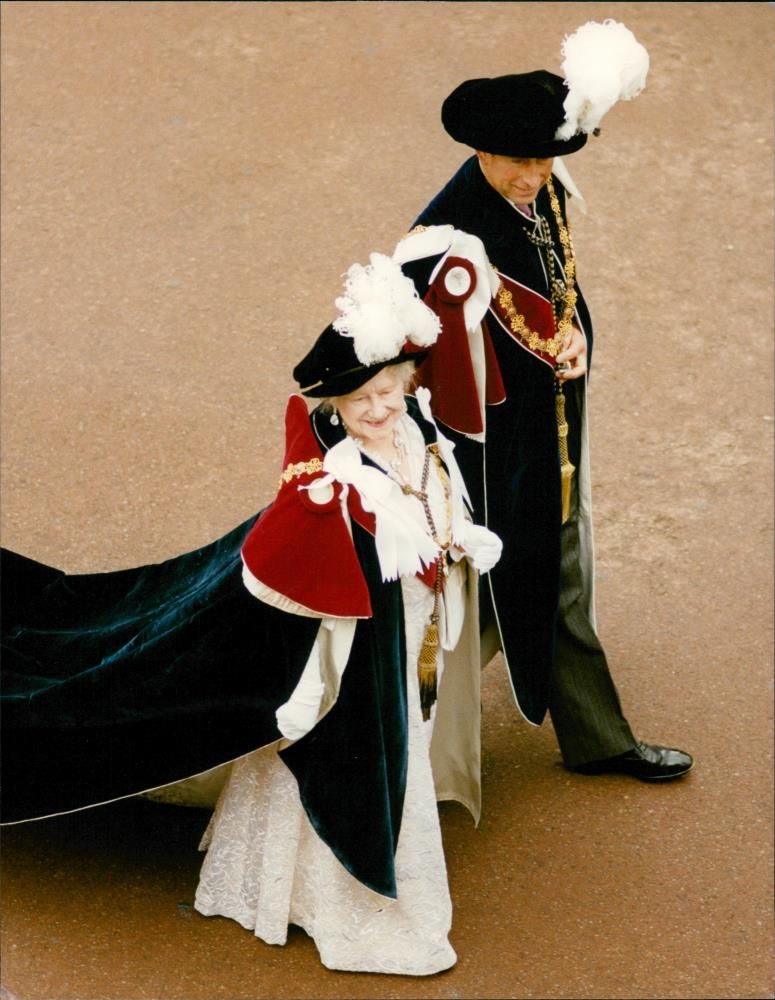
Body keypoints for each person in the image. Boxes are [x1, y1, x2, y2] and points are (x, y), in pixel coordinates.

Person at [1, 246, 502, 975]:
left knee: (384, 750)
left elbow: (437, 510)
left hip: (408, 635)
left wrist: (462, 543)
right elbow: (296, 565)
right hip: (348, 660)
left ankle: (273, 886)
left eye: (389, 391)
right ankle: (342, 909)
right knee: (343, 758)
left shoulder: (418, 432)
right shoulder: (333, 483)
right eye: (360, 400)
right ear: (335, 404)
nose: (378, 410)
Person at [403, 20, 693, 781]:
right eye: (518, 161)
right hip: (487, 459)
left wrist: (577, 338)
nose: (533, 176)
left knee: (548, 578)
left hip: (546, 434)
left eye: (542, 159)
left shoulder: (543, 191)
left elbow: (559, 289)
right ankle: (391, 743)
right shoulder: (443, 239)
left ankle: (593, 737)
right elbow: (421, 359)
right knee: (501, 589)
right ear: (479, 151)